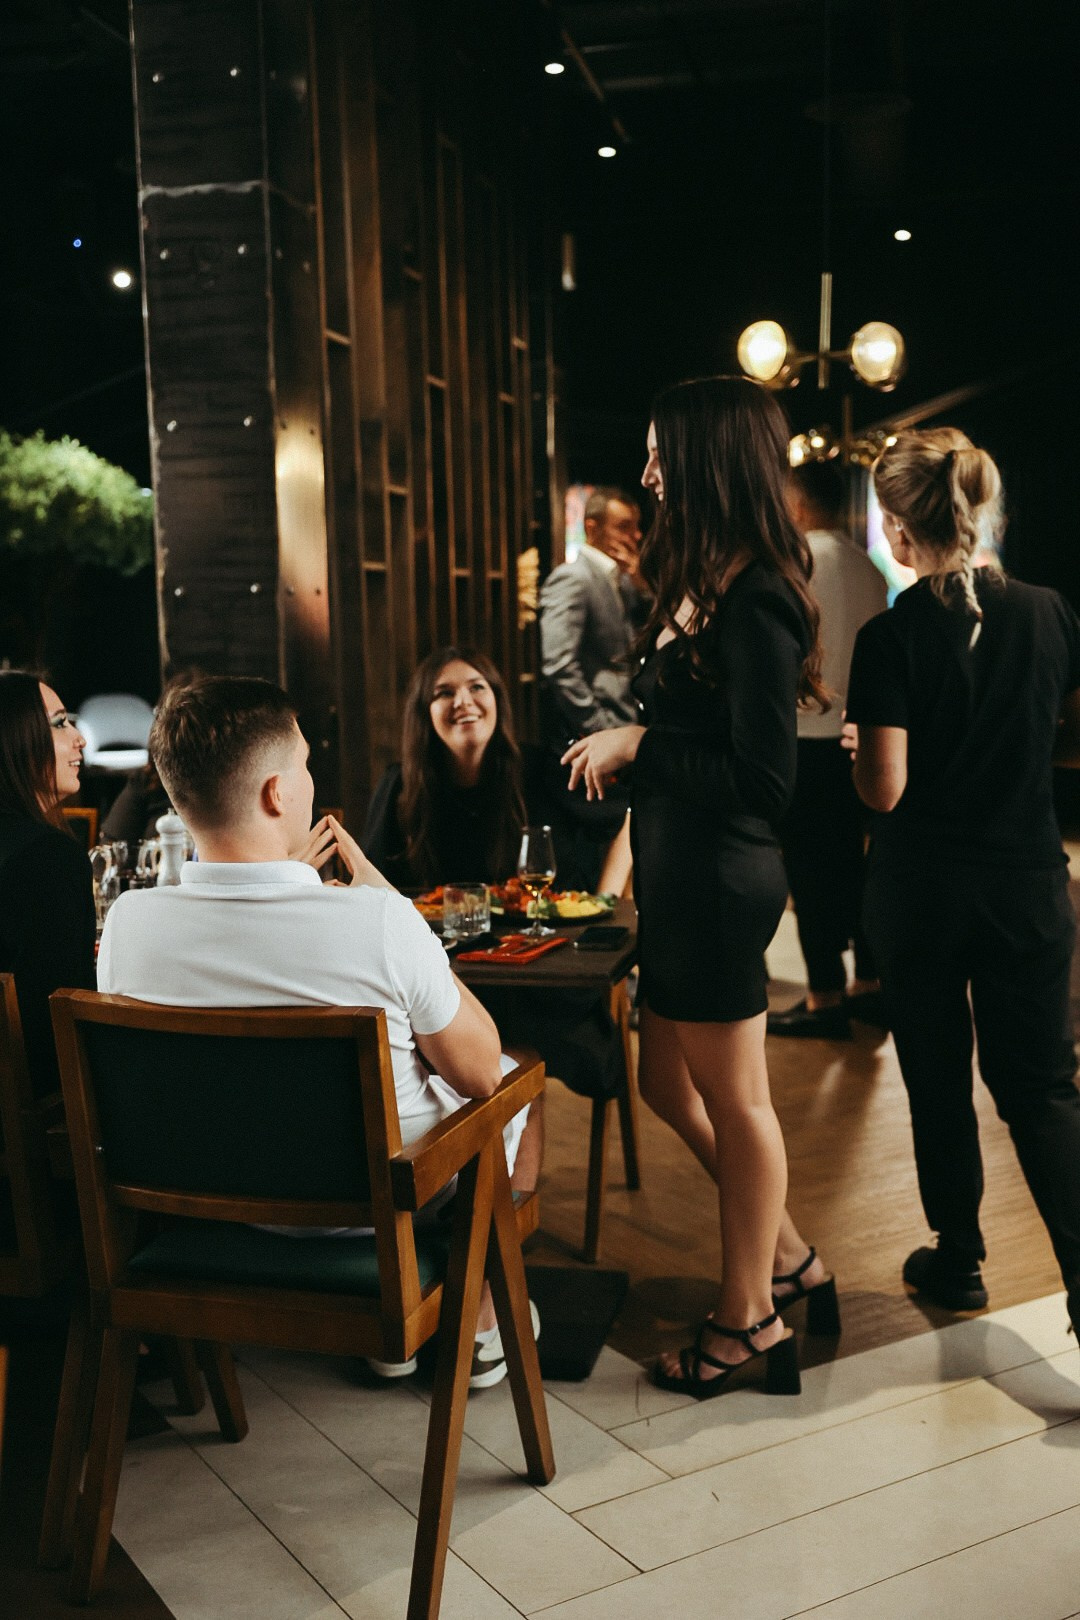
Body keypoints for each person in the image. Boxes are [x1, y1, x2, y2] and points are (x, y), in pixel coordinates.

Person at [98, 674, 539, 1387]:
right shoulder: (377, 922)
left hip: (214, 1206)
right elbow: (483, 1071)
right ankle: (478, 1321)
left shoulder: (128, 927)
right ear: (277, 792)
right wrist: (389, 903)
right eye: (305, 766)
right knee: (520, 1083)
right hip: (379, 1214)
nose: (311, 783)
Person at [563, 376, 839, 1400]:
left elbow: (766, 782)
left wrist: (640, 744)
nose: (646, 473)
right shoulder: (705, 580)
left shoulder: (759, 593)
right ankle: (791, 1257)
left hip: (723, 879)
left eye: (659, 453)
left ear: (707, 458)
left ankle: (748, 1321)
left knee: (739, 1100)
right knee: (664, 1086)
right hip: (682, 879)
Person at [847, 428, 1080, 1341]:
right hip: (1027, 884)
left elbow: (885, 789)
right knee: (1044, 1092)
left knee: (937, 1077)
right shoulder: (1051, 613)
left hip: (924, 895)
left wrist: (861, 749)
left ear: (900, 529)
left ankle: (960, 1258)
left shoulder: (890, 635)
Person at [364, 646, 631, 1100]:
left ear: (496, 700)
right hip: (446, 978)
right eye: (443, 693)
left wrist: (607, 902)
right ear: (424, 712)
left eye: (476, 687)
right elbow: (373, 887)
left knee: (512, 1064)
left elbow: (626, 813)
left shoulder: (542, 769)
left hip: (539, 980)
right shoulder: (401, 786)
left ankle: (501, 1131)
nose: (463, 701)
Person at [768, 456, 888, 1040]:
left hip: (804, 737)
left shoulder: (794, 564)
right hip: (857, 737)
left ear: (796, 504)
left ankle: (825, 998)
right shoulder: (870, 567)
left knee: (811, 873)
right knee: (857, 865)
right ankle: (870, 985)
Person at [0, 671, 95, 1100]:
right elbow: (59, 1022)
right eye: (59, 724)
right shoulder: (47, 859)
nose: (80, 739)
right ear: (14, 740)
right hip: (34, 1110)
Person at [540, 487, 648, 744]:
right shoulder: (572, 577)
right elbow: (559, 664)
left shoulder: (624, 578)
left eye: (636, 526)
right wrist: (598, 726)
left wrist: (642, 585)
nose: (636, 535)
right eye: (624, 526)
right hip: (601, 728)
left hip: (630, 722)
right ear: (592, 528)